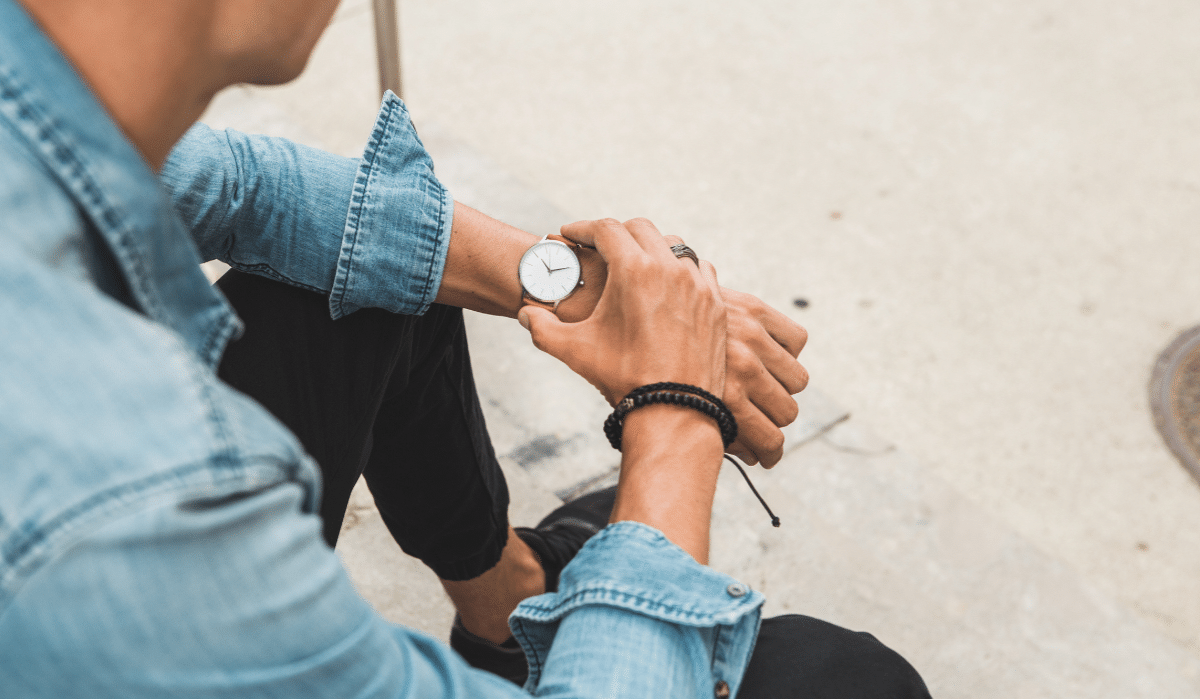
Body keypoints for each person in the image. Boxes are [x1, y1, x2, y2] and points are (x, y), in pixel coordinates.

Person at [0, 0, 930, 696]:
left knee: (361, 283)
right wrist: (678, 415)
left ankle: (504, 608)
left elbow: (238, 190)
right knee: (840, 679)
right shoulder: (127, 519)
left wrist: (562, 279)